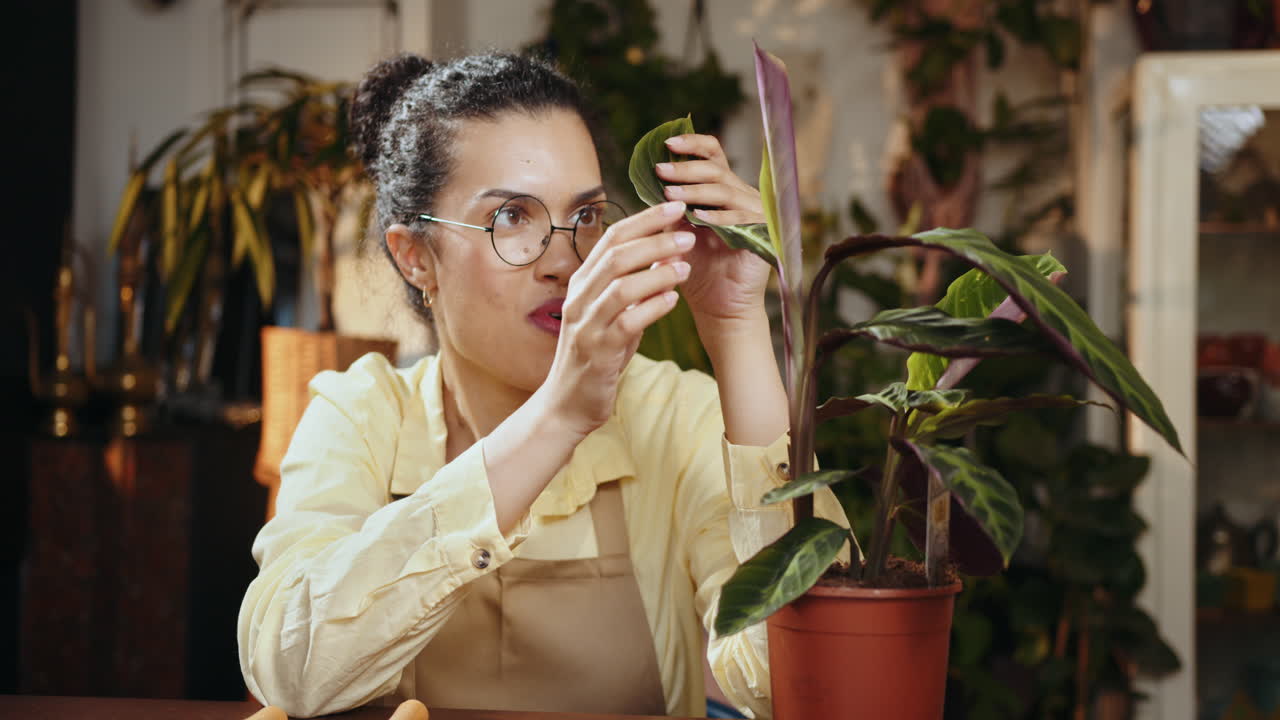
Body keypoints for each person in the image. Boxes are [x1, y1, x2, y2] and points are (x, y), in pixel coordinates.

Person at [237, 51, 843, 719]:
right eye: (510, 218)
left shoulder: (676, 413)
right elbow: (291, 667)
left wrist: (736, 330)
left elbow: (814, 680)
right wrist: (560, 415)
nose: (563, 259)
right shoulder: (360, 416)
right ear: (416, 258)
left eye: (585, 217)